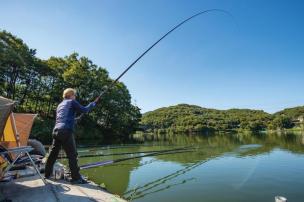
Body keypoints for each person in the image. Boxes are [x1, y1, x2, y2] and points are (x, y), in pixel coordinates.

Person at [45, 88, 99, 184]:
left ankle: (47, 174)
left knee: (53, 154)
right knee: (72, 155)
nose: (75, 97)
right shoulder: (71, 101)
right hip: (66, 131)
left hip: (56, 131)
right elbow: (85, 110)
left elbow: (65, 118)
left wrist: (76, 119)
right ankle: (76, 178)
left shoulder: (60, 105)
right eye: (74, 95)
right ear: (71, 95)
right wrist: (93, 104)